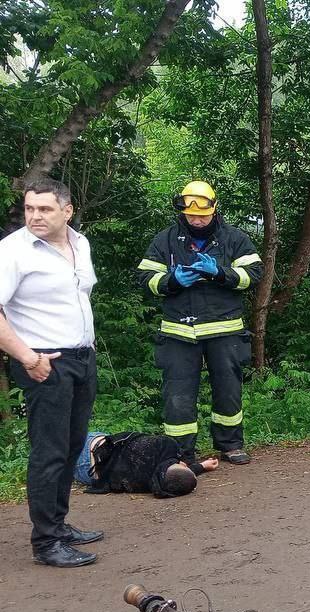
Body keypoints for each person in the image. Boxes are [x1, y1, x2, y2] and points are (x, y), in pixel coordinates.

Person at [0, 177, 102, 568]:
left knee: (73, 445)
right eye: (30, 208)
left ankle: (58, 525)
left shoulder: (80, 244)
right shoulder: (14, 251)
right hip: (44, 363)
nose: (35, 216)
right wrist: (28, 357)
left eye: (44, 209)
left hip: (82, 359)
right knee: (49, 452)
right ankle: (45, 543)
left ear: (67, 211)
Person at [135, 181, 263, 465]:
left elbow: (253, 274)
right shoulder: (166, 240)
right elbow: (145, 277)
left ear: (214, 209)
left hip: (224, 328)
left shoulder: (234, 238)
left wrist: (220, 273)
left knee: (228, 389)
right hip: (178, 331)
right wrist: (172, 281)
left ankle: (231, 444)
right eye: (191, 215)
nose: (196, 220)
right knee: (177, 395)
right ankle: (180, 453)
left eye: (202, 215)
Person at [74, 432, 217, 498]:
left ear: (184, 465)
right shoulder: (153, 485)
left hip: (92, 450)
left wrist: (194, 465)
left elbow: (176, 470)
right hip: (89, 475)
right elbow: (175, 477)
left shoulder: (166, 446)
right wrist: (202, 466)